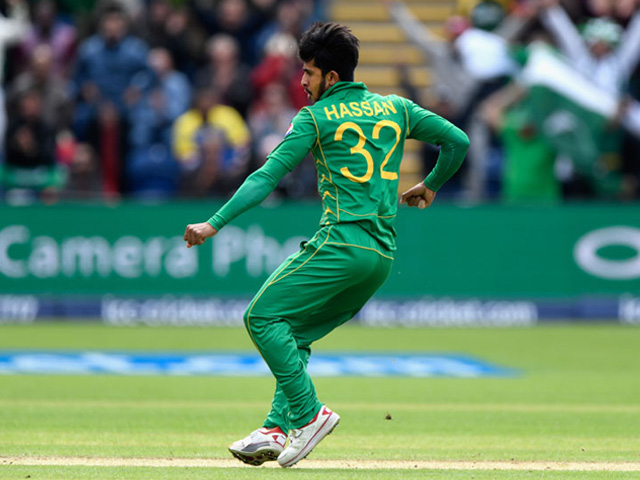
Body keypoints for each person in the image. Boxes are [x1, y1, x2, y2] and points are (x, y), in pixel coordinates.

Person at [182, 22, 469, 467]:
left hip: (341, 240)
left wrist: (214, 223)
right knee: (292, 334)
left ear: (331, 78)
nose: (302, 81)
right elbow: (457, 141)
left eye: (309, 72)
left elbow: (266, 177)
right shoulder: (397, 107)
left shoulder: (313, 117)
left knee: (260, 317)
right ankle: (276, 429)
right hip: (380, 255)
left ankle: (310, 414)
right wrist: (430, 185)